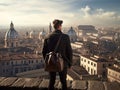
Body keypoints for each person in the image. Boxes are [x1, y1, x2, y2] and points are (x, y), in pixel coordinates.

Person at [42, 19, 73, 90]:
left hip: (51, 62)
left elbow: (44, 52)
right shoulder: (65, 37)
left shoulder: (47, 37)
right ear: (60, 26)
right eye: (61, 25)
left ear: (53, 27)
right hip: (63, 62)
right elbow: (69, 51)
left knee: (51, 81)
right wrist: (70, 64)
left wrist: (47, 61)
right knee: (63, 82)